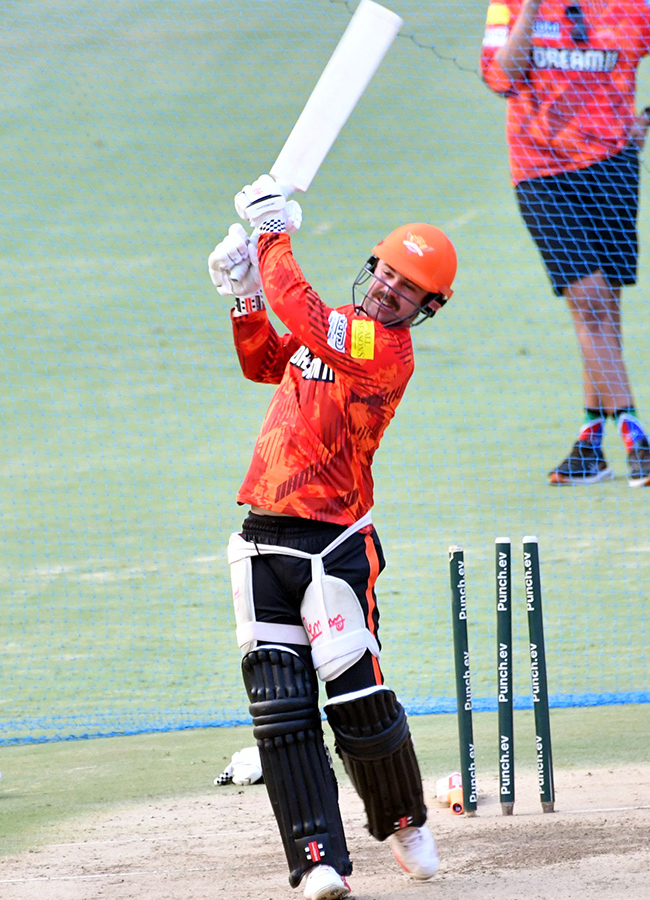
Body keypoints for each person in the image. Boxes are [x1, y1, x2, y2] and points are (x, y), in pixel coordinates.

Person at [207, 174, 457, 900]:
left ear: (426, 309)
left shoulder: (382, 351)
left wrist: (270, 236)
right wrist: (244, 294)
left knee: (355, 699)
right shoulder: (342, 320)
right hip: (264, 538)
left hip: (335, 541)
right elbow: (265, 362)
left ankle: (406, 822)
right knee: (281, 713)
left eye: (406, 288)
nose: (387, 290)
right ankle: (320, 859)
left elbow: (307, 316)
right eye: (384, 272)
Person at [480, 0, 650, 486]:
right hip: (542, 173)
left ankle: (589, 447)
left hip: (614, 165)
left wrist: (646, 120)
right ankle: (637, 439)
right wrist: (531, 9)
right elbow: (499, 76)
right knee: (590, 302)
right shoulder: (507, 7)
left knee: (605, 308)